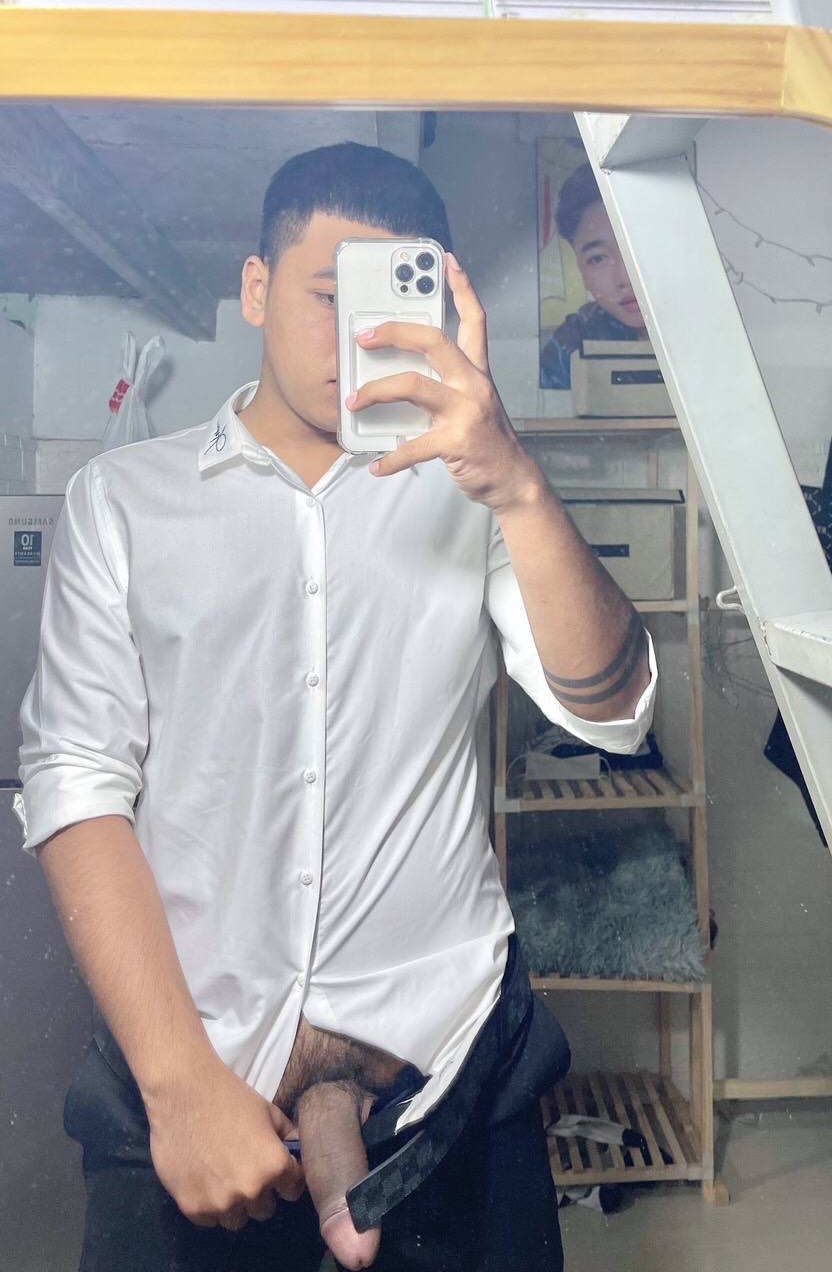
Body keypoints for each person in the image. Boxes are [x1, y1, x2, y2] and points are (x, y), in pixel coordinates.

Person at [14, 141, 657, 1272]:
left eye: (391, 305)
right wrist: (178, 1086)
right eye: (328, 297)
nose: (357, 338)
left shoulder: (472, 490)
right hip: (197, 1092)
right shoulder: (124, 501)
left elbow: (613, 709)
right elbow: (76, 785)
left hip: (446, 1077)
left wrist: (515, 481)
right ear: (255, 288)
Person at [540, 160, 650, 390]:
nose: (625, 279)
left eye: (638, 249)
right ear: (581, 269)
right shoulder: (573, 344)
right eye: (598, 258)